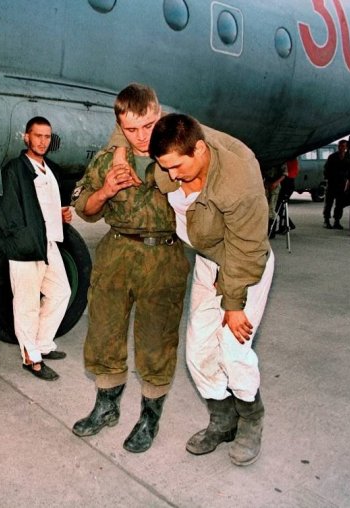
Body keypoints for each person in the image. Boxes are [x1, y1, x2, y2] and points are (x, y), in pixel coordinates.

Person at [70, 83, 189, 453]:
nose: (141, 136)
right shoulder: (108, 160)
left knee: (157, 342)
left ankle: (149, 419)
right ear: (120, 126)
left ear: (160, 115)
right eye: (131, 129)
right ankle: (106, 408)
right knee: (104, 335)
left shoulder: (179, 155)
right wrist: (105, 191)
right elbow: (84, 210)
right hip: (117, 253)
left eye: (149, 126)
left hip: (164, 257)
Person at [149, 113, 274, 466]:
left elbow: (248, 249)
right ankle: (223, 420)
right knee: (197, 350)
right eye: (164, 167)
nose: (172, 175)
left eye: (177, 167)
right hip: (209, 261)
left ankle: (251, 419)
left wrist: (233, 304)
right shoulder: (176, 150)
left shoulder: (238, 181)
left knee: (233, 350)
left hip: (244, 265)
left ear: (200, 150)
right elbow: (136, 123)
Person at [0, 116, 72, 381]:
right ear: (26, 137)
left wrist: (60, 216)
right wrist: (23, 240)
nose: (42, 141)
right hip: (27, 246)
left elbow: (44, 207)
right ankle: (32, 358)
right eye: (38, 135)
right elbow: (8, 213)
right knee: (26, 304)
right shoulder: (15, 169)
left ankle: (43, 343)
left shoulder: (49, 169)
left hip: (48, 243)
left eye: (47, 136)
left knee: (61, 292)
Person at [323, 140, 350, 229]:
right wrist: (328, 178)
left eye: (343, 146)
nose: (341, 148)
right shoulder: (332, 157)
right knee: (329, 203)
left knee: (339, 204)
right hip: (332, 183)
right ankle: (326, 220)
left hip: (342, 184)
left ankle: (337, 221)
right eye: (340, 146)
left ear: (346, 147)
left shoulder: (348, 157)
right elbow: (326, 169)